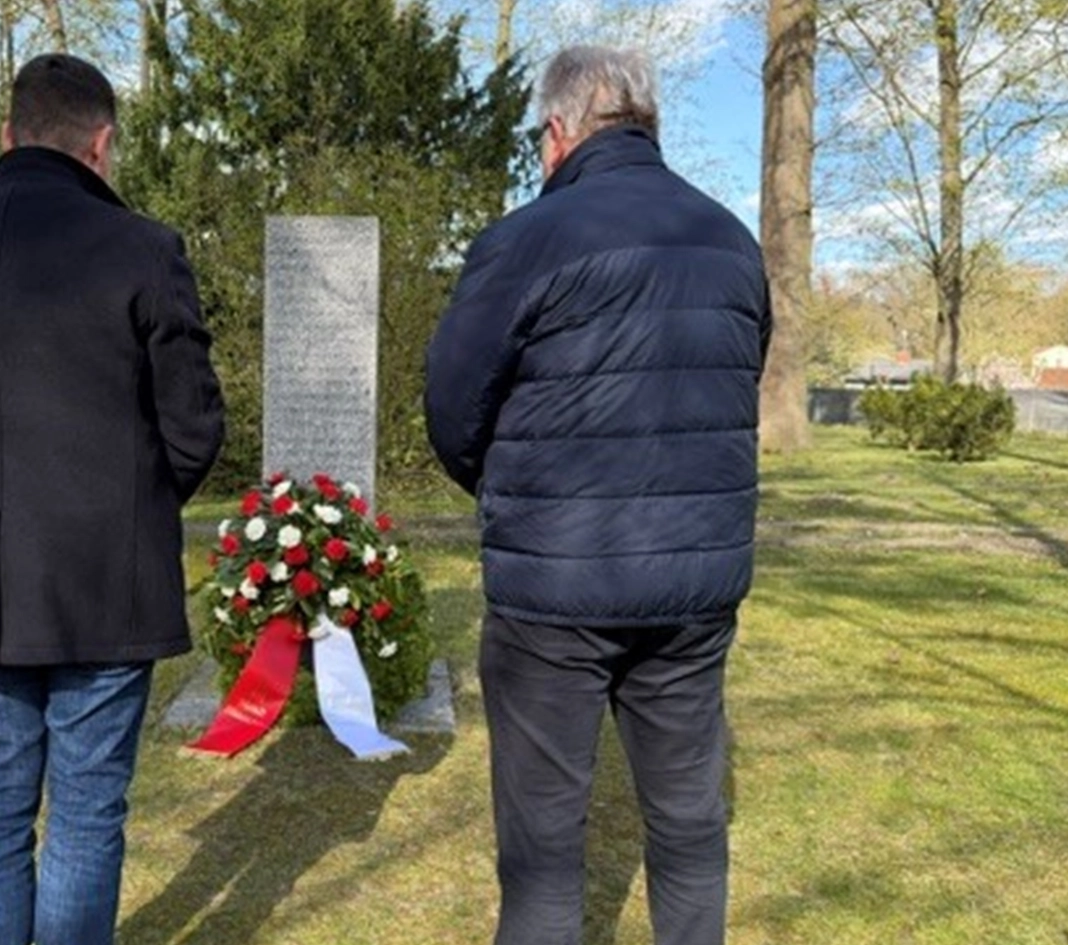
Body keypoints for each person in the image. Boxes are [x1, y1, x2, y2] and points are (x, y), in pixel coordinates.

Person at [424, 46, 772, 945]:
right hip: (692, 582)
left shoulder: (528, 238)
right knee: (691, 822)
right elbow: (735, 385)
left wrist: (514, 495)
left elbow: (454, 405)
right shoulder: (731, 240)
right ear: (646, 124)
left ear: (558, 132)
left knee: (543, 850)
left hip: (556, 586)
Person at [0, 53, 224, 945]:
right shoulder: (145, 250)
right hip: (104, 580)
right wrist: (133, 504)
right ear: (101, 146)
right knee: (83, 809)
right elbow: (193, 426)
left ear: (7, 136)